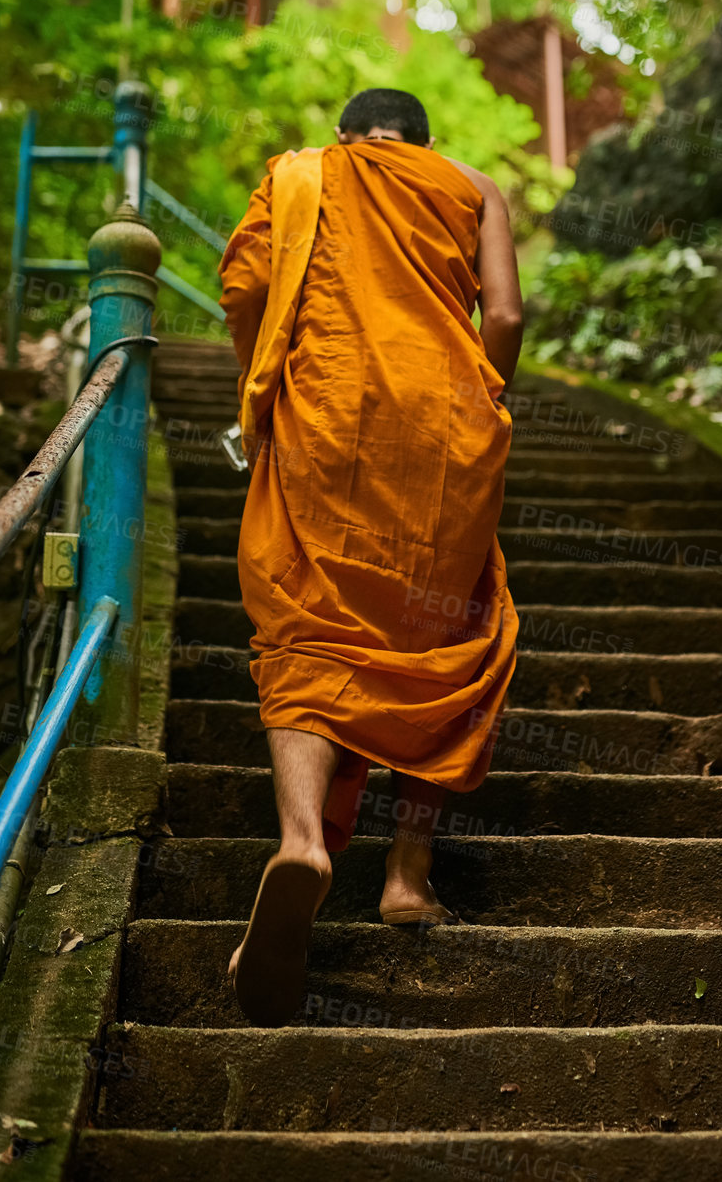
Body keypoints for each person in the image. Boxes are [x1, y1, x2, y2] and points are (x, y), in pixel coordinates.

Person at [218, 86, 522, 1025]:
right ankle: (406, 873)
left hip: (323, 418)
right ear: (425, 144)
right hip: (441, 433)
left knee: (306, 622)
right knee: (445, 636)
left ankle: (303, 840)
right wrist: (481, 399)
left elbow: (245, 290)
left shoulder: (301, 173)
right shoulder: (468, 184)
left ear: (349, 136)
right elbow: (504, 316)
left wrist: (258, 386)